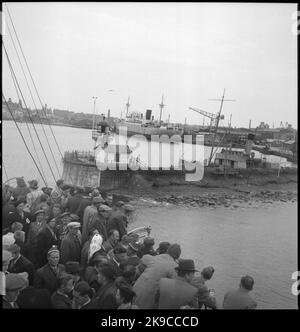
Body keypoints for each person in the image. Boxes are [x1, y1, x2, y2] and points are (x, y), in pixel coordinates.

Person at [133, 243, 181, 309]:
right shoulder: (174, 267)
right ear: (177, 256)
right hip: (148, 301)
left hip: (134, 292)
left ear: (167, 251)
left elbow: (141, 264)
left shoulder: (153, 258)